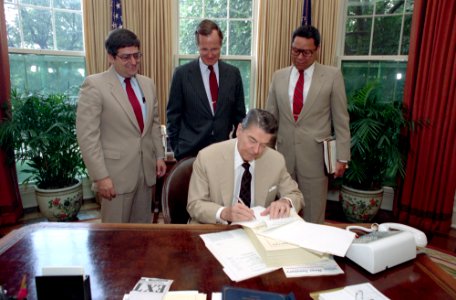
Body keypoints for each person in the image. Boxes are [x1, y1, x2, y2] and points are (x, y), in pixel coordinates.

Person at [76, 28, 166, 223]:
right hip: (115, 178)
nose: (133, 62)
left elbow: (154, 124)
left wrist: (159, 155)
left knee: (141, 235)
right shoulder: (94, 85)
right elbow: (87, 137)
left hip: (146, 173)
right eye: (126, 57)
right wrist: (101, 177)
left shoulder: (148, 84)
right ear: (111, 57)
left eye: (136, 55)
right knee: (114, 239)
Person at [266, 25, 350, 224]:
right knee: (281, 212)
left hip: (315, 159)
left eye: (306, 52)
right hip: (283, 156)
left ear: (317, 50)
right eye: (296, 50)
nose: (300, 57)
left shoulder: (332, 76)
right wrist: (266, 152)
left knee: (313, 214)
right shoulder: (279, 76)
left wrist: (342, 158)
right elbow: (270, 118)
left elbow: (341, 119)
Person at [187, 109, 304, 224]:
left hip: (256, 231)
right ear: (239, 130)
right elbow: (195, 204)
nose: (256, 150)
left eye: (263, 145)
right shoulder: (207, 157)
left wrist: (285, 201)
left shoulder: (276, 160)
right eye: (252, 140)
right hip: (214, 229)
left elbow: (295, 195)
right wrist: (224, 213)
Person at [166, 19, 246, 161]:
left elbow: (239, 117)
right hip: (190, 154)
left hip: (223, 153)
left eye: (214, 49)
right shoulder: (182, 74)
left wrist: (235, 145)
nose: (210, 54)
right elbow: (173, 117)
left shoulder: (233, 74)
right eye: (204, 49)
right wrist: (178, 150)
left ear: (221, 45)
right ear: (197, 46)